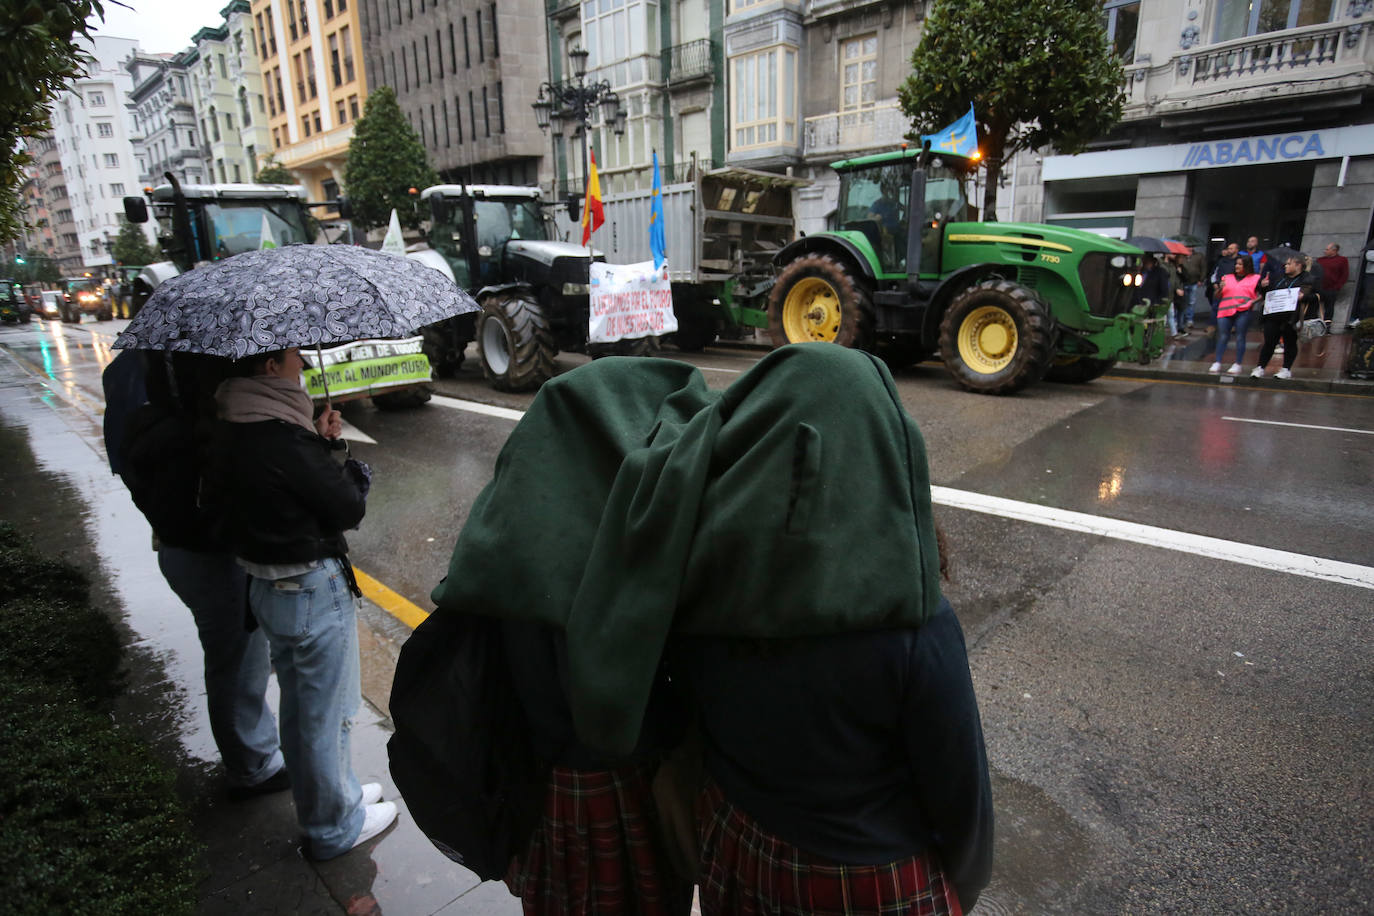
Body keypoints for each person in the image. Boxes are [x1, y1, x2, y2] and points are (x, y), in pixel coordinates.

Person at [206, 346, 396, 860]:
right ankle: (333, 826)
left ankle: (335, 799)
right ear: (271, 367)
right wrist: (337, 459)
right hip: (310, 587)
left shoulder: (230, 423)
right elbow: (346, 506)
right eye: (295, 357)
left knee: (300, 709)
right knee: (327, 715)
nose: (303, 366)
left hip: (266, 586)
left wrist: (318, 441)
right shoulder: (281, 437)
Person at [102, 350, 288, 802]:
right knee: (237, 665)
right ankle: (252, 765)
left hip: (179, 553)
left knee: (234, 660)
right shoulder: (195, 438)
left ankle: (251, 752)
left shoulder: (149, 424)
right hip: (213, 562)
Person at [1251, 256, 1314, 380]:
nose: (1286, 266)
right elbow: (1266, 293)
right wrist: (1263, 286)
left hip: (1292, 317)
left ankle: (1286, 369)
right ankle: (1260, 367)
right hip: (1273, 315)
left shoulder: (1307, 279)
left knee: (1290, 342)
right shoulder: (1278, 277)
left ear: (1298, 265)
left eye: (1289, 264)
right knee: (1269, 342)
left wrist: (1304, 297)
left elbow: (1318, 296)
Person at [1210, 256, 1262, 374]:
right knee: (1223, 336)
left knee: (1240, 336)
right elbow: (1217, 296)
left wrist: (1252, 302)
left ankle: (1238, 363)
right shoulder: (1227, 278)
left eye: (1240, 264)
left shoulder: (1255, 278)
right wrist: (1220, 288)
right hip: (1225, 310)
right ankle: (1217, 362)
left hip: (1243, 310)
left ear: (1247, 266)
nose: (1237, 266)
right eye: (1236, 264)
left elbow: (1262, 294)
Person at [1315, 243, 1350, 328]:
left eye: (1327, 249)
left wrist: (1337, 287)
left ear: (1334, 250)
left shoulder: (1342, 260)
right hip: (1318, 287)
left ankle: (1326, 326)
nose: (1325, 251)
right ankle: (1313, 324)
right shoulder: (1320, 260)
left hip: (1331, 288)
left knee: (1329, 308)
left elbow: (1344, 275)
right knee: (1314, 305)